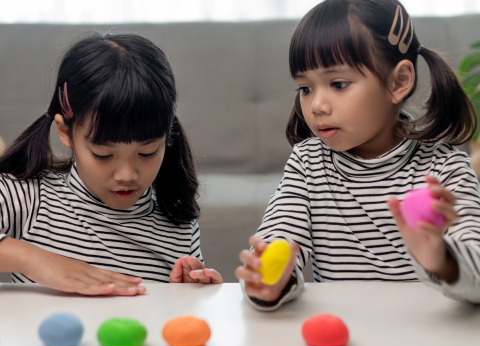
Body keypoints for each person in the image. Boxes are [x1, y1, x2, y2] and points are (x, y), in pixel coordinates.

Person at [236, 0, 480, 310]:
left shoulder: (446, 169)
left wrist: (443, 259)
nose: (316, 106)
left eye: (338, 84)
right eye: (305, 88)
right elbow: (280, 233)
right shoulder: (309, 162)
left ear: (398, 81)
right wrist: (268, 278)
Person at [0, 32, 222, 296]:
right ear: (65, 132)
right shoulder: (26, 197)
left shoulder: (178, 226)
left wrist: (190, 296)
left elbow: (172, 320)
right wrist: (33, 259)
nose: (127, 175)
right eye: (103, 155)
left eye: (148, 152)